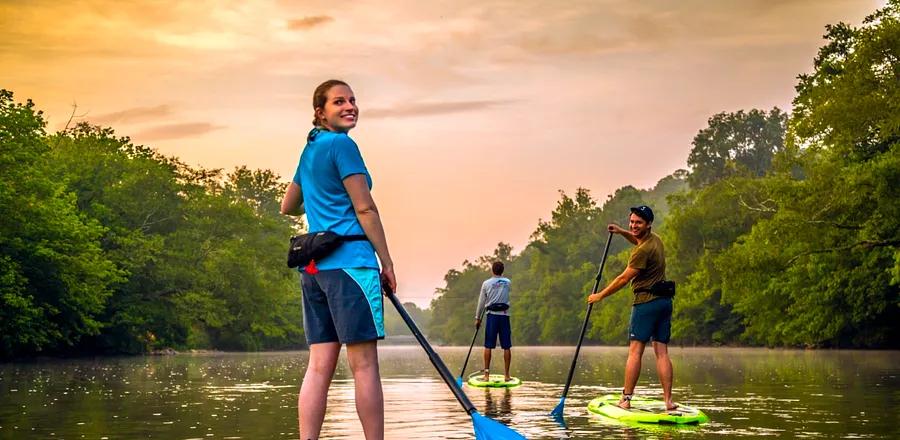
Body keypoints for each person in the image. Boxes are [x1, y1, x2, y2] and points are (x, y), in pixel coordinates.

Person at [280, 79, 396, 440]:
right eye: (339, 102)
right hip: (350, 264)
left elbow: (287, 206)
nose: (350, 106)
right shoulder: (342, 145)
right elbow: (365, 207)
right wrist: (387, 262)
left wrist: (319, 195)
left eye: (353, 100)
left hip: (314, 271)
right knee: (364, 367)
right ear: (321, 112)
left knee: (318, 368)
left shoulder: (310, 149)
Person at [586, 205, 677, 411]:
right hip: (664, 303)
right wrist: (621, 232)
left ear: (648, 224)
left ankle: (626, 399)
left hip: (646, 303)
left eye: (639, 223)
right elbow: (637, 238)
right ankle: (668, 401)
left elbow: (624, 278)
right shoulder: (656, 240)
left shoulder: (641, 252)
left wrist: (600, 295)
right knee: (661, 352)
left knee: (635, 352)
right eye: (632, 222)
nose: (634, 226)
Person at [475, 261, 512, 382]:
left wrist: (477, 318)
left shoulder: (486, 283)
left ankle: (486, 376)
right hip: (504, 316)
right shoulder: (507, 282)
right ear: (503, 270)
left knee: (488, 346)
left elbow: (481, 302)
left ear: (492, 270)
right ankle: (507, 375)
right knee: (506, 346)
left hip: (492, 317)